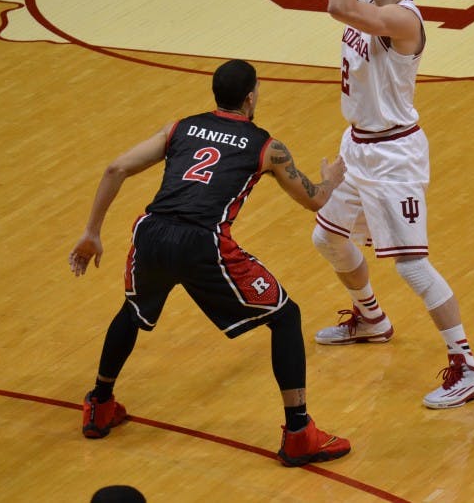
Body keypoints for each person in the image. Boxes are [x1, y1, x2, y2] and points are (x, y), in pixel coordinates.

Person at [68, 59, 351, 467]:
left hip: (151, 232)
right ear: (251, 96)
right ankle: (299, 433)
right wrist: (331, 179)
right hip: (204, 242)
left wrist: (92, 232)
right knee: (285, 317)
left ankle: (99, 404)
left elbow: (117, 167)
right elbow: (315, 199)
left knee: (132, 310)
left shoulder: (179, 127)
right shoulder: (267, 146)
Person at [288, 0, 474, 409]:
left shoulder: (403, 20)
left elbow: (338, 7)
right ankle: (371, 319)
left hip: (395, 157)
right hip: (356, 147)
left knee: (413, 267)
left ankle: (469, 368)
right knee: (326, 239)